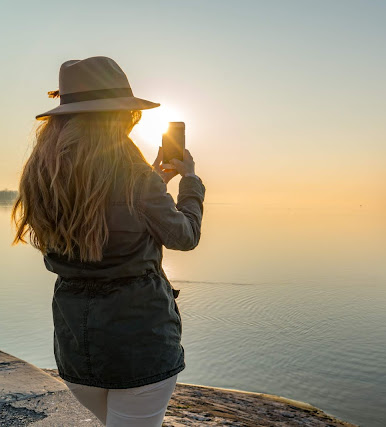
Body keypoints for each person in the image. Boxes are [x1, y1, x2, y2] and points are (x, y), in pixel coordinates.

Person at [11, 56, 206, 426]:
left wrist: (154, 183)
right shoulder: (135, 177)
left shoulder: (41, 176)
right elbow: (185, 235)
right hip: (140, 347)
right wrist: (190, 183)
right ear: (120, 116)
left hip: (75, 349)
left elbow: (102, 212)